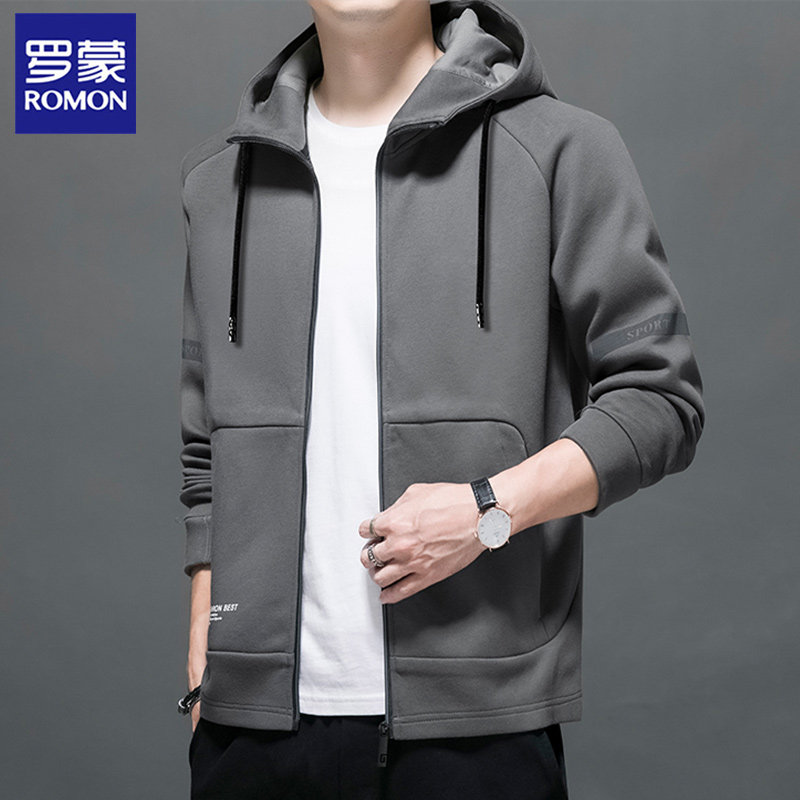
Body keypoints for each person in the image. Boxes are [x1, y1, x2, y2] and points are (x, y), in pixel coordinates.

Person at [175, 0, 705, 797]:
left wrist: (489, 511)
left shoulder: (560, 150)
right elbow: (207, 450)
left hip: (477, 730)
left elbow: (661, 397)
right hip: (247, 730)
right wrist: (209, 637)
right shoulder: (220, 184)